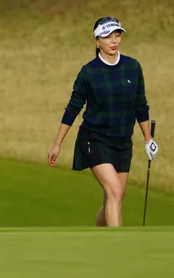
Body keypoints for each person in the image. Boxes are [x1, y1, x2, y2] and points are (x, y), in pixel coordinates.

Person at [47, 16, 159, 227]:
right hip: (94, 139)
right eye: (107, 36)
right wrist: (57, 144)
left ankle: (99, 235)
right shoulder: (89, 72)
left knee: (115, 197)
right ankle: (118, 244)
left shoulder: (132, 67)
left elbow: (140, 105)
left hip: (123, 142)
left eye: (117, 35)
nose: (114, 40)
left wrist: (148, 139)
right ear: (97, 41)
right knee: (115, 191)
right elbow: (73, 108)